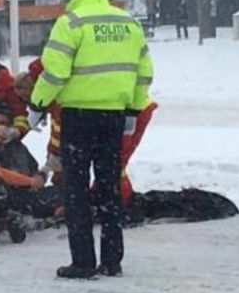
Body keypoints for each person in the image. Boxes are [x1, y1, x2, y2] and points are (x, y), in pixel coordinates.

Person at [28, 0, 154, 279]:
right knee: (109, 187)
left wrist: (37, 104)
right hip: (114, 117)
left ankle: (83, 261)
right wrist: (133, 111)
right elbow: (144, 74)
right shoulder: (128, 23)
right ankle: (112, 261)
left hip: (79, 117)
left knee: (77, 189)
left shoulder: (70, 22)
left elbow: (54, 72)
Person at [16, 57, 158, 204]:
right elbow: (58, 134)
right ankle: (109, 202)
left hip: (130, 111)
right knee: (109, 166)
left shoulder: (57, 95)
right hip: (119, 108)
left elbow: (61, 134)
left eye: (29, 102)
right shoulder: (54, 80)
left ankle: (120, 203)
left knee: (115, 165)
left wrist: (48, 169)